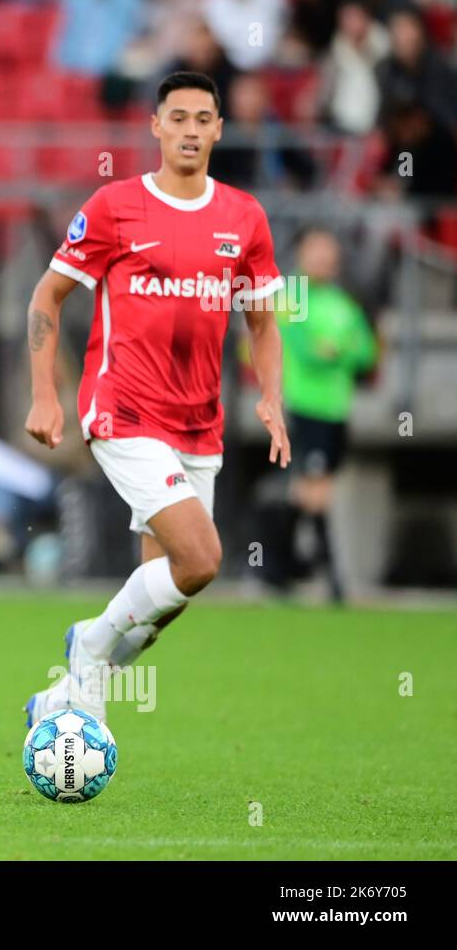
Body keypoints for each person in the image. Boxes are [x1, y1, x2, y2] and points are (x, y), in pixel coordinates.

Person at [23, 71, 290, 725]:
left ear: (220, 129)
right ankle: (84, 651)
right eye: (179, 118)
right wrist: (45, 397)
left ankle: (60, 702)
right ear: (156, 126)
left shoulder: (245, 216)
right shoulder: (116, 206)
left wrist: (273, 399)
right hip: (124, 408)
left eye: (204, 118)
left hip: (200, 422)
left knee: (165, 601)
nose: (191, 130)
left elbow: (263, 318)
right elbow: (46, 297)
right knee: (201, 558)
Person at [275, 225, 377, 601]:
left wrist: (338, 351)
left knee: (315, 490)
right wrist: (333, 350)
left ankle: (282, 566)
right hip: (304, 405)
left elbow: (365, 351)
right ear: (301, 254)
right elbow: (304, 350)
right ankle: (329, 574)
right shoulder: (290, 295)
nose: (323, 258)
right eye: (315, 249)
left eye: (328, 250)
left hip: (337, 408)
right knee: (315, 489)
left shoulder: (344, 302)